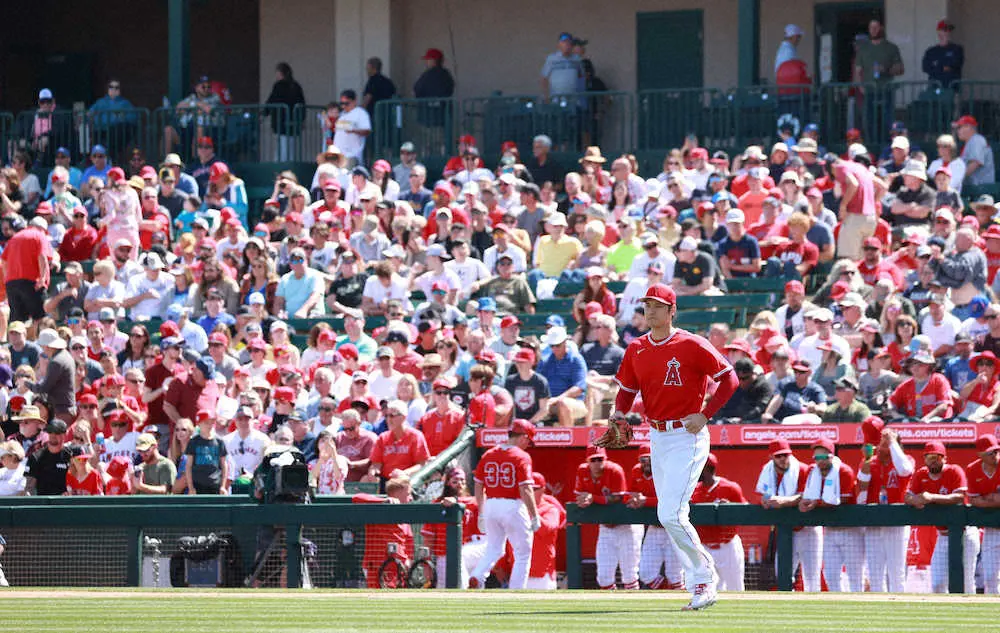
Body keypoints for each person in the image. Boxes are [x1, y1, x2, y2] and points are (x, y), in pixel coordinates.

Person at [596, 283, 737, 610]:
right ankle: (698, 580)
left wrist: (705, 415)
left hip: (688, 434)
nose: (651, 310)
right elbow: (627, 389)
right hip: (656, 435)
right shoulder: (637, 348)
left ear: (672, 310)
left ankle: (703, 579)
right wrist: (618, 413)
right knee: (670, 514)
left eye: (658, 305)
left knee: (670, 513)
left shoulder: (691, 343)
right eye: (647, 304)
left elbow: (729, 379)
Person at [469, 419, 540, 590]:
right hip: (513, 505)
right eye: (528, 440)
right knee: (522, 553)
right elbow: (526, 489)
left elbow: (478, 484)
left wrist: (482, 511)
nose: (528, 445)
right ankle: (517, 591)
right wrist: (534, 515)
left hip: (491, 504)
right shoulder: (521, 456)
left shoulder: (489, 454)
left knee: (494, 548)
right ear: (523, 437)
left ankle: (477, 576)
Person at [905, 441, 978, 593]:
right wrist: (916, 500)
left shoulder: (954, 471)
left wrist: (931, 497)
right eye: (929, 457)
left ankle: (968, 613)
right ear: (924, 459)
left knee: (966, 582)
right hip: (943, 535)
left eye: (936, 457)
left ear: (944, 458)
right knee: (937, 583)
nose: (932, 460)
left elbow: (959, 497)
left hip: (964, 533)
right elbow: (907, 497)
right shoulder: (921, 474)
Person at [855, 419, 914, 593]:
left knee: (896, 573)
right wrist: (867, 461)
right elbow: (861, 489)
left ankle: (898, 612)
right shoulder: (870, 461)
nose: (882, 446)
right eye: (881, 442)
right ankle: (877, 613)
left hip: (897, 522)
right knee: (875, 575)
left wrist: (893, 442)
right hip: (874, 523)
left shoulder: (905, 459)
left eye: (886, 443)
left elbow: (904, 470)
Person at [799, 438, 862, 592]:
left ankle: (859, 609)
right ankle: (839, 608)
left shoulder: (844, 471)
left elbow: (842, 500)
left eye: (823, 457)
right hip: (830, 529)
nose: (819, 461)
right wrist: (804, 501)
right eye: (816, 458)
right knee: (831, 574)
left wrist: (816, 503)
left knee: (855, 576)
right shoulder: (812, 472)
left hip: (850, 529)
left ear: (831, 456)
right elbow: (807, 496)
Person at [755, 438, 818, 592]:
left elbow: (806, 496)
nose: (783, 459)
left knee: (812, 577)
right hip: (784, 530)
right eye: (779, 456)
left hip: (807, 529)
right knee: (782, 573)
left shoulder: (803, 469)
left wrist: (783, 501)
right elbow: (760, 493)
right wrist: (765, 500)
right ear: (771, 457)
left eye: (786, 455)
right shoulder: (767, 470)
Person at [575, 445, 640, 590]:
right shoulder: (582, 470)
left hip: (626, 526)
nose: (597, 463)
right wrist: (584, 500)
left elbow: (617, 498)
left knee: (629, 575)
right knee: (603, 578)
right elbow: (580, 495)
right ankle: (615, 606)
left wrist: (593, 499)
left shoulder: (614, 470)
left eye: (600, 459)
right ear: (588, 461)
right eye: (594, 460)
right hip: (605, 527)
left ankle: (632, 609)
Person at [690, 453, 747, 592]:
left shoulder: (730, 488)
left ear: (710, 469)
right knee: (707, 589)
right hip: (704, 547)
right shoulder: (693, 490)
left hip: (727, 546)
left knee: (735, 588)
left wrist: (731, 508)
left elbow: (746, 512)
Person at [1, 218, 52, 332]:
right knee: (40, 318)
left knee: (17, 321)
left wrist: (6, 280)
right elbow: (42, 257)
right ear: (42, 228)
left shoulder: (15, 237)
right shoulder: (39, 235)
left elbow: (4, 261)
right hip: (32, 281)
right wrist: (43, 278)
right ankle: (41, 345)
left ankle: (16, 347)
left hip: (12, 284)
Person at [966, 434, 1000, 594]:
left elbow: (981, 500)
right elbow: (973, 500)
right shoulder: (972, 469)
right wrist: (994, 499)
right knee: (991, 577)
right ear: (980, 454)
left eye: (996, 451)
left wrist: (987, 499)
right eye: (990, 452)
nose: (995, 455)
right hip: (992, 530)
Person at [760, 359, 827, 424]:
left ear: (809, 373)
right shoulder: (785, 384)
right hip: (787, 420)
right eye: (795, 371)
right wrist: (768, 413)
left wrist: (815, 408)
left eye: (801, 372)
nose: (797, 375)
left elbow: (824, 408)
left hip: (808, 422)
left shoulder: (816, 389)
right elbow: (777, 400)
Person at [30, 329, 75, 423]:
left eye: (42, 347)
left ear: (47, 347)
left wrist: (27, 384)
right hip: (65, 408)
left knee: (59, 437)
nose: (43, 350)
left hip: (61, 411)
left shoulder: (56, 362)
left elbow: (43, 388)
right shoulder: (65, 355)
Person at [265, 62, 307, 162]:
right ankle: (289, 166)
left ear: (280, 73)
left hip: (281, 121)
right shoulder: (296, 86)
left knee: (282, 148)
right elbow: (302, 103)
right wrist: (301, 119)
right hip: (293, 122)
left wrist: (265, 112)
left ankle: (281, 167)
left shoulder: (279, 86)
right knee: (290, 148)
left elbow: (272, 100)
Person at [24, 419, 77, 496]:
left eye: (57, 432)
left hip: (66, 501)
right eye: (50, 432)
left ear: (65, 434)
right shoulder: (36, 457)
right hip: (43, 503)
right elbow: (29, 487)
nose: (53, 435)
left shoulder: (71, 455)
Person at [713, 358, 771, 423]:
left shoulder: (763, 386)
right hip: (732, 422)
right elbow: (722, 405)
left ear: (752, 373)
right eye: (738, 378)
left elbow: (760, 408)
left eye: (744, 378)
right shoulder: (735, 385)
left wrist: (742, 419)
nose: (741, 382)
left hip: (754, 424)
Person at [330, 90, 371, 168]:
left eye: (346, 103)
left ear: (354, 101)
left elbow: (367, 131)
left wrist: (353, 131)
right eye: (342, 103)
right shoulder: (341, 114)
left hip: (351, 155)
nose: (343, 106)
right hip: (337, 155)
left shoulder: (360, 113)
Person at [541, 32, 582, 102]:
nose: (566, 45)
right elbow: (544, 78)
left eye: (569, 42)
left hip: (573, 99)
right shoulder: (552, 59)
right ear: (559, 44)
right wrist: (546, 96)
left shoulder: (576, 59)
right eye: (563, 42)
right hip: (556, 99)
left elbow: (580, 76)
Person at [955, 115, 995, 187]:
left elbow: (975, 164)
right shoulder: (970, 142)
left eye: (959, 127)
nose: (958, 131)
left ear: (969, 127)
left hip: (981, 189)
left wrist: (956, 179)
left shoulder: (977, 140)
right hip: (974, 188)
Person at [922, 20, 964, 88]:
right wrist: (943, 68)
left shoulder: (957, 49)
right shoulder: (931, 51)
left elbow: (955, 64)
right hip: (935, 88)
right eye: (944, 30)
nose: (947, 33)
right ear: (939, 32)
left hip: (952, 89)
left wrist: (937, 66)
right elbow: (925, 68)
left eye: (949, 30)